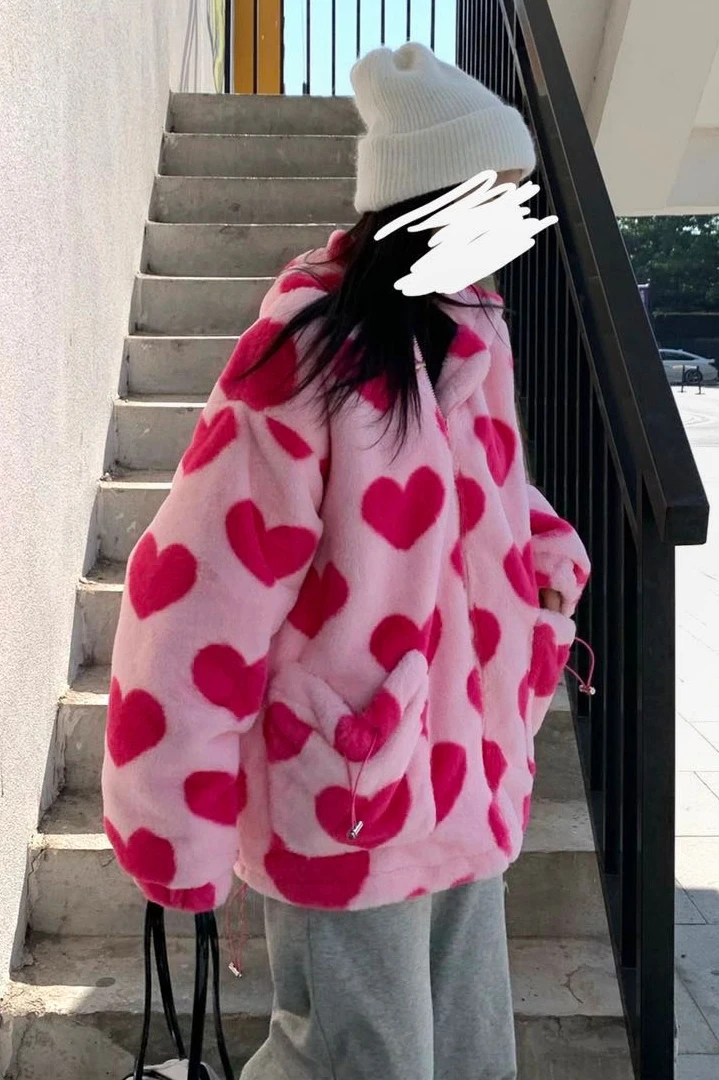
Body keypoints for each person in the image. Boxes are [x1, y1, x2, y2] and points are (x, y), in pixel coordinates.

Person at [102, 41, 592, 1080]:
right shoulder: (312, 351)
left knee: (469, 1054)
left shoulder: (472, 330)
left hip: (464, 769)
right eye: (490, 196)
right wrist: (175, 816)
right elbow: (199, 586)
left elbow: (486, 494)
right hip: (349, 786)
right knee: (355, 1059)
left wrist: (544, 555)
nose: (510, 223)